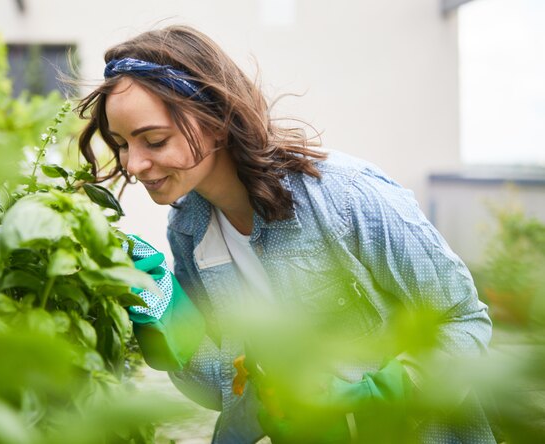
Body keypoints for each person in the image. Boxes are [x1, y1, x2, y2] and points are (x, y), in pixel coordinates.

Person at [77, 25, 494, 443]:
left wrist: (379, 396)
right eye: (122, 144)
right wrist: (169, 315)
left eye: (154, 140)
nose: (133, 164)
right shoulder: (189, 229)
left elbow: (464, 322)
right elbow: (226, 388)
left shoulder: (345, 196)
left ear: (216, 121)